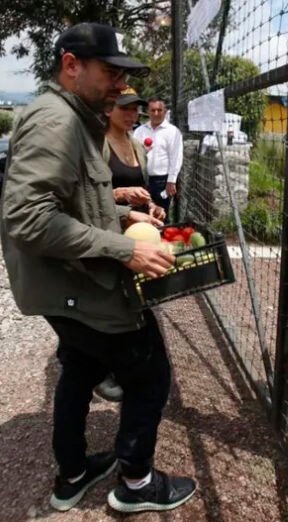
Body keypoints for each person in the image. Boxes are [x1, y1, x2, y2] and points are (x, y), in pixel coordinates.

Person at [0, 23, 196, 514]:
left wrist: (121, 212)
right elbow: (28, 218)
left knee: (82, 366)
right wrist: (123, 247)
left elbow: (71, 197)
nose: (119, 86)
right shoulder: (58, 122)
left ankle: (72, 473)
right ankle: (137, 483)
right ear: (71, 65)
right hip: (75, 284)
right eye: (109, 72)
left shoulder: (70, 117)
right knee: (149, 372)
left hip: (61, 284)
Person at [94, 87, 166, 403]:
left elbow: (145, 189)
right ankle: (103, 372)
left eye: (134, 108)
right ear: (108, 109)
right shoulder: (97, 145)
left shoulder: (137, 146)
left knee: (133, 298)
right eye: (124, 107)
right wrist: (120, 196)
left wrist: (153, 209)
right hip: (108, 230)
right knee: (109, 299)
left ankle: (126, 363)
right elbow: (83, 195)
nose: (130, 113)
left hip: (137, 231)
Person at [132, 97, 183, 217]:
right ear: (147, 111)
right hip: (142, 179)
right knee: (141, 213)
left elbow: (176, 157)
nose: (156, 113)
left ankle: (161, 235)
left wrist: (171, 181)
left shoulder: (173, 132)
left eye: (159, 110)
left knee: (160, 214)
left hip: (162, 181)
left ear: (165, 111)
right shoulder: (139, 131)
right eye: (153, 110)